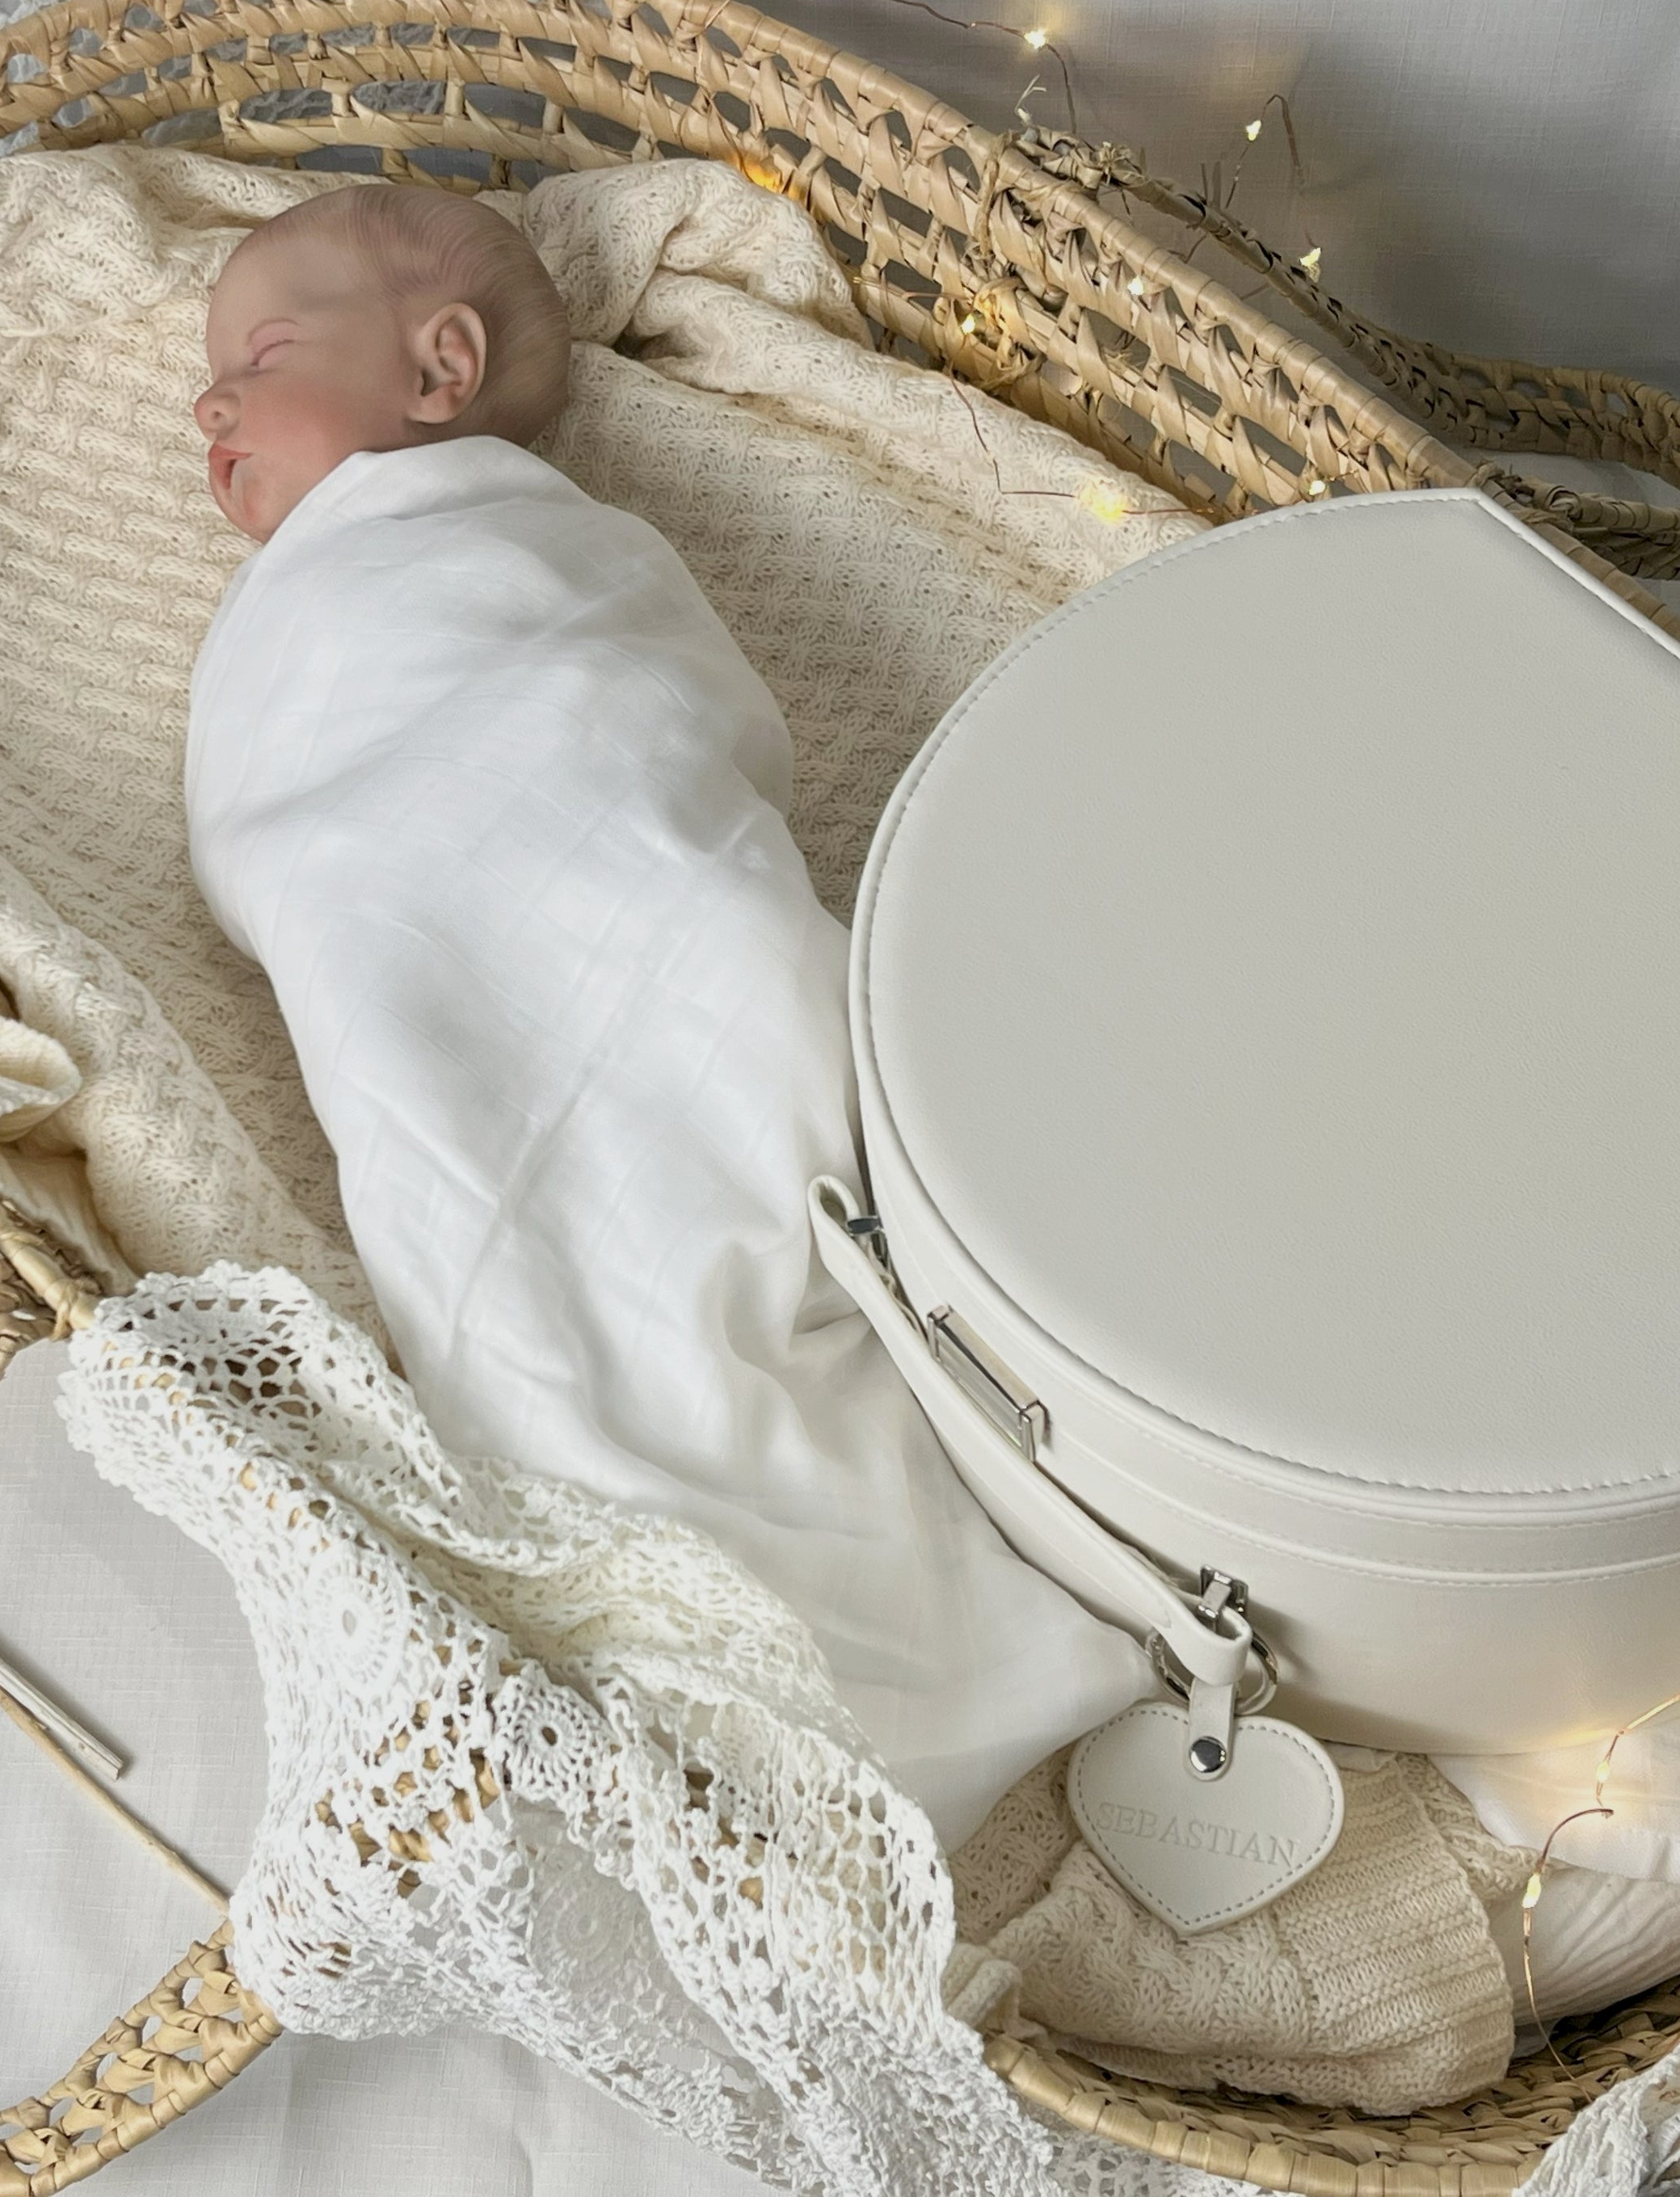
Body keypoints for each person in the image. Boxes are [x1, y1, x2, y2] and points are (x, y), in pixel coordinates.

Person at [186, 181, 1147, 1845]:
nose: (208, 401)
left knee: (760, 1143)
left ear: (439, 368)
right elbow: (336, 856)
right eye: (209, 378)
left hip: (671, 937)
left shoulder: (528, 552)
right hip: (456, 1010)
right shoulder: (313, 618)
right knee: (575, 1280)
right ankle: (855, 1603)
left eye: (259, 352)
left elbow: (633, 736)